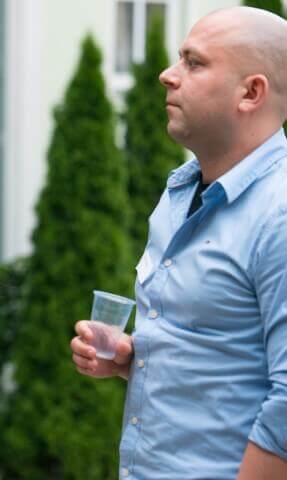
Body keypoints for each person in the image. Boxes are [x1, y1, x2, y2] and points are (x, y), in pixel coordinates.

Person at [70, 7, 287, 479]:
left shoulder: (279, 213)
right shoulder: (181, 190)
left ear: (251, 93)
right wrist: (137, 357)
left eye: (194, 62)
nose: (167, 75)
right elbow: (220, 350)